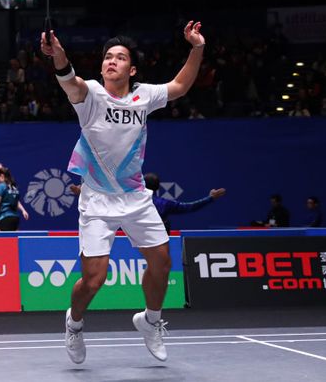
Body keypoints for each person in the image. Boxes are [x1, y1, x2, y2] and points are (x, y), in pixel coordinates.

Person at [41, 21, 205, 364]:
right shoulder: (90, 95)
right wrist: (58, 54)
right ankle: (74, 323)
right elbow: (68, 79)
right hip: (98, 201)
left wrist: (197, 48)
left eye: (120, 57)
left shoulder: (144, 95)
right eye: (108, 57)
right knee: (93, 279)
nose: (112, 61)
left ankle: (150, 320)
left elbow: (179, 86)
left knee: (162, 264)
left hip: (135, 197)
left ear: (132, 69)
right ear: (102, 66)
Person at [143, 173, 226, 233]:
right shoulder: (165, 203)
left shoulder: (134, 202)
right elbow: (190, 207)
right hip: (158, 243)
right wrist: (210, 198)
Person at [0, 166, 29, 231]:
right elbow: (16, 201)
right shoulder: (14, 186)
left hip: (6, 217)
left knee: (5, 240)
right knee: (13, 239)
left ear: (2, 175)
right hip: (16, 218)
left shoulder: (2, 186)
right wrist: (23, 210)